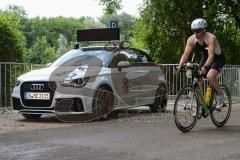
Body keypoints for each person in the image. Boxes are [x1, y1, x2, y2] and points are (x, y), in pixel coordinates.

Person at [176, 18, 226, 108]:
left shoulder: (211, 38)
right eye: (193, 31)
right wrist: (179, 66)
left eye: (198, 31)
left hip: (218, 57)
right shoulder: (191, 39)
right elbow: (185, 54)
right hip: (206, 57)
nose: (196, 33)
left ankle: (220, 95)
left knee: (210, 76)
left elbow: (211, 56)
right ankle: (201, 102)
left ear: (204, 30)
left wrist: (205, 68)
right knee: (197, 77)